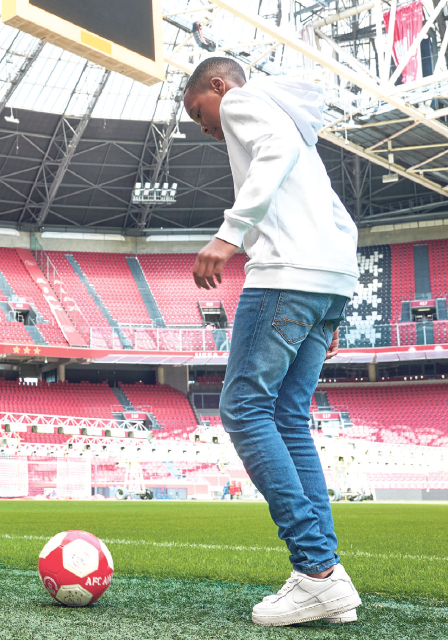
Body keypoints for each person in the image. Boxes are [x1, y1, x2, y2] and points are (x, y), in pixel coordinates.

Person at [184, 58, 361, 626]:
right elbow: (341, 217)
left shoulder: (241, 100)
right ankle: (327, 571)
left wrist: (228, 233)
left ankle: (315, 571)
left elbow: (274, 150)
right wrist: (335, 301)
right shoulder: (294, 121)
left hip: (283, 276)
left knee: (243, 409)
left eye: (198, 112)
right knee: (288, 416)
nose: (205, 127)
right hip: (326, 281)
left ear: (217, 86)